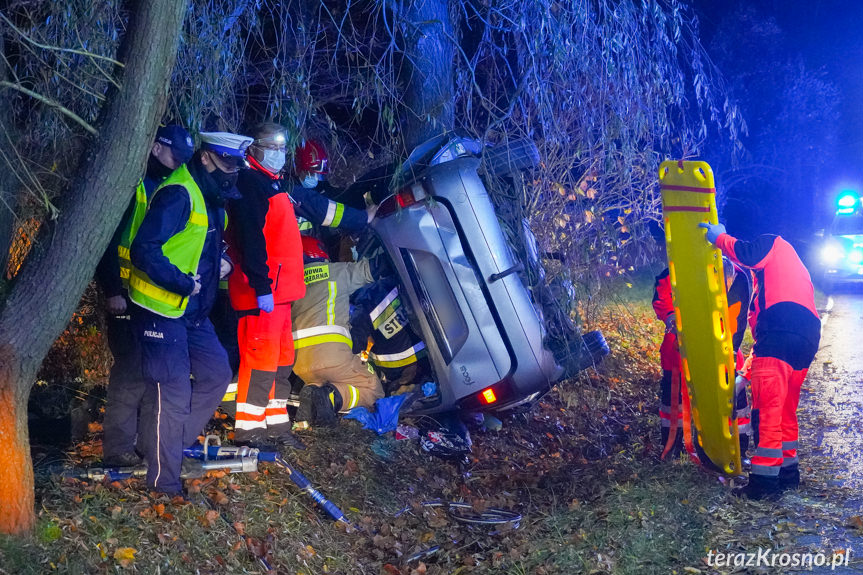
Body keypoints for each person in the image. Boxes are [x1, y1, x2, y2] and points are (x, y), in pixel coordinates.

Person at [128, 131, 251, 495]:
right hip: (159, 309)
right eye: (227, 163)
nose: (232, 172)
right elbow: (143, 250)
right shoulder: (179, 193)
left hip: (193, 313)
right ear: (207, 158)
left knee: (216, 373)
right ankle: (163, 483)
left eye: (235, 165)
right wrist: (183, 283)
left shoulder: (210, 194)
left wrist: (224, 261)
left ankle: (162, 445)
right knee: (173, 393)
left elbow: (209, 244)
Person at [96, 124, 194, 467]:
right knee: (128, 375)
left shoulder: (170, 187)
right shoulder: (134, 186)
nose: (179, 163)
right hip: (125, 295)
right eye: (175, 155)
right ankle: (118, 450)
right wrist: (112, 290)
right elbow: (106, 242)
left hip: (149, 298)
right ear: (156, 149)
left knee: (149, 377)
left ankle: (141, 445)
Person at [700, 221, 820, 499]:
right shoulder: (786, 281)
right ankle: (789, 475)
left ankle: (764, 485)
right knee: (786, 411)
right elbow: (762, 346)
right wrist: (743, 376)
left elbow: (749, 253)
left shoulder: (774, 243)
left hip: (780, 335)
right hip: (805, 340)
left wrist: (721, 239)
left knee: (767, 411)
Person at [226, 122, 306, 449]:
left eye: (282, 149)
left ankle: (276, 427)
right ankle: (250, 432)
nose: (279, 155)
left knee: (282, 362)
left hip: (280, 293)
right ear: (255, 150)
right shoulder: (249, 184)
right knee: (259, 363)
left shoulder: (271, 184)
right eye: (272, 148)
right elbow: (250, 239)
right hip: (263, 292)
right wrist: (260, 286)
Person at [652, 256, 751, 460]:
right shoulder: (681, 267)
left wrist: (728, 353)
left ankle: (737, 448)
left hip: (722, 343)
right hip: (681, 342)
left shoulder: (739, 279)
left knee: (734, 395)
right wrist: (671, 317)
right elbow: (663, 293)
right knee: (674, 396)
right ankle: (672, 446)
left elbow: (736, 323)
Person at [291, 236, 385, 428]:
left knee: (320, 381)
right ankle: (332, 397)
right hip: (332, 354)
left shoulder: (289, 283)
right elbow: (372, 269)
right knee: (373, 390)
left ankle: (308, 416)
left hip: (298, 362)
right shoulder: (336, 272)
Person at [350, 277, 432, 396]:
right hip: (422, 353)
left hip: (395, 367)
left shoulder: (361, 308)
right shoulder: (392, 283)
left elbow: (356, 346)